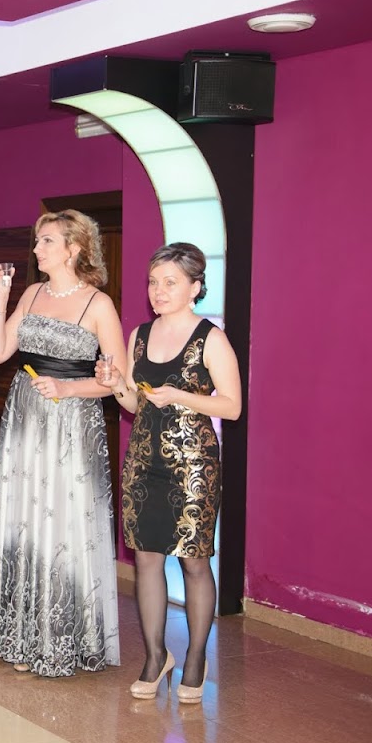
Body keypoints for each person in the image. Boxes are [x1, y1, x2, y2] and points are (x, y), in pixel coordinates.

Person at [0, 209, 126, 677]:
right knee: (23, 518)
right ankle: (19, 634)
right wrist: (0, 302)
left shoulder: (98, 304)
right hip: (24, 419)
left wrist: (68, 387)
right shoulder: (32, 293)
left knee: (60, 523)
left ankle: (60, 637)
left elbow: (118, 383)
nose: (37, 248)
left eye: (46, 241)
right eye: (37, 240)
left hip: (71, 423)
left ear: (73, 249)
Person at [96, 242, 241, 704]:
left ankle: (195, 659)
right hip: (144, 462)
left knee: (194, 562)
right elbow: (134, 403)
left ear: (195, 287)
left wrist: (179, 396)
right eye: (153, 282)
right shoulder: (139, 335)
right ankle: (156, 656)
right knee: (146, 560)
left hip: (193, 465)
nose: (158, 291)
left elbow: (232, 407)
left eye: (170, 282)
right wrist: (114, 384)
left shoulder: (210, 338)